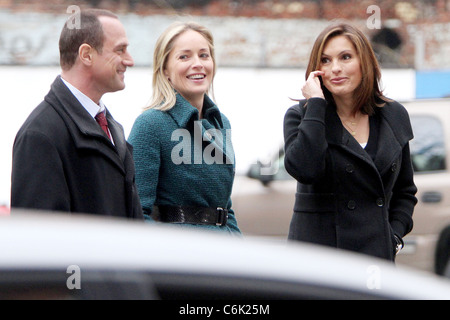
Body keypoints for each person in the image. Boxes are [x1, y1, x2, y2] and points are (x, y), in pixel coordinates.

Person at [283, 21, 417, 261]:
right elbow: (306, 169)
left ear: (364, 62)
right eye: (325, 60)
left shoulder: (393, 115)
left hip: (373, 259)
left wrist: (393, 238)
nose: (335, 68)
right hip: (317, 262)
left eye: (345, 57)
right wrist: (315, 105)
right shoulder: (302, 116)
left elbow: (405, 191)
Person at [11, 9, 143, 220]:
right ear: (86, 55)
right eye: (120, 50)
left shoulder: (112, 128)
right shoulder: (40, 135)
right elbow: (38, 241)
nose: (130, 60)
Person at [128, 21, 240, 234]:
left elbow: (225, 207)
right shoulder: (151, 125)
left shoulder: (220, 122)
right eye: (184, 56)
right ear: (165, 70)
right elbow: (137, 214)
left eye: (204, 55)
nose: (197, 63)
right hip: (181, 258)